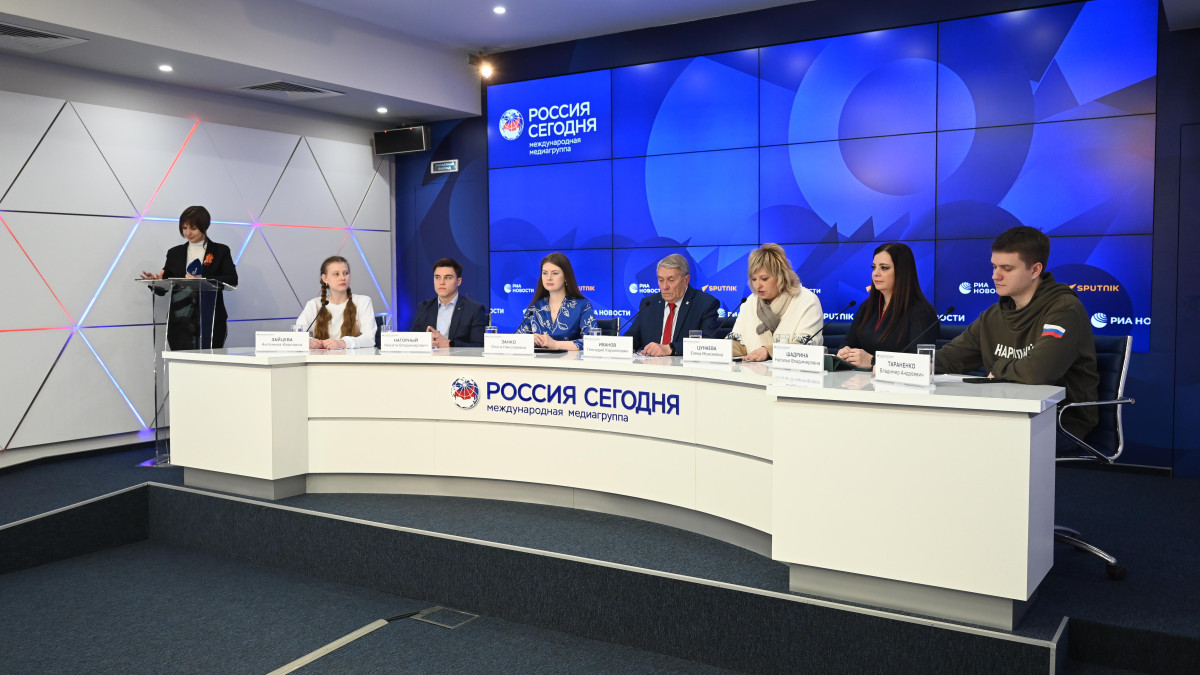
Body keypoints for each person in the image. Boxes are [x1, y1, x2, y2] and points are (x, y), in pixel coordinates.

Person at [936, 226, 1099, 439]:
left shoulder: (1064, 311)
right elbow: (951, 358)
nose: (995, 276)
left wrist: (997, 367)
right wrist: (904, 366)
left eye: (1007, 268)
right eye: (994, 266)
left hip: (1059, 422)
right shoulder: (993, 315)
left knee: (970, 441)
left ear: (1035, 270)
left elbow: (1038, 371)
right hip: (1005, 415)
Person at [140, 205, 237, 349]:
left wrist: (203, 279)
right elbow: (163, 288)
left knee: (210, 361)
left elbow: (232, 280)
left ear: (204, 226)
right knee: (181, 362)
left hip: (211, 320)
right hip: (180, 322)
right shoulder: (174, 253)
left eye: (193, 228)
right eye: (184, 228)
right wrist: (156, 281)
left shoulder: (220, 251)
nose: (188, 233)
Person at [837, 243, 939, 368]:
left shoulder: (921, 312)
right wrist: (845, 351)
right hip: (861, 379)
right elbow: (848, 342)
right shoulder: (867, 306)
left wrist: (873, 362)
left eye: (884, 268)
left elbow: (919, 365)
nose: (875, 273)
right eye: (874, 267)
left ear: (902, 272)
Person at [729, 243, 823, 362]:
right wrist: (718, 349)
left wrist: (769, 351)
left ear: (781, 276)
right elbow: (737, 341)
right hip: (751, 371)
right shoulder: (749, 302)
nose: (757, 285)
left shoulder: (807, 300)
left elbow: (807, 346)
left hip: (794, 372)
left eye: (764, 279)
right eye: (754, 279)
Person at [624, 254, 720, 357]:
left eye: (671, 280)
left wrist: (671, 349)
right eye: (661, 280)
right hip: (650, 365)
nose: (665, 286)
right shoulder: (649, 303)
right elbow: (631, 339)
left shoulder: (705, 304)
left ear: (686, 280)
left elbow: (709, 344)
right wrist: (618, 346)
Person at [514, 252, 598, 350]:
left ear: (566, 277)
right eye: (545, 273)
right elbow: (516, 340)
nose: (549, 278)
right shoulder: (535, 307)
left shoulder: (582, 306)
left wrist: (555, 344)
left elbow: (593, 342)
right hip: (538, 360)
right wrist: (529, 340)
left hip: (571, 359)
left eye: (555, 273)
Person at [296, 256, 377, 349]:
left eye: (346, 273)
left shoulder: (363, 301)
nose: (342, 278)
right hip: (320, 357)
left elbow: (369, 338)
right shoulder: (313, 305)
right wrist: (307, 342)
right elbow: (297, 335)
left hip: (352, 357)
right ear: (325, 278)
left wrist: (342, 343)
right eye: (336, 274)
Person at [410, 257, 489, 348]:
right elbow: (413, 342)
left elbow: (479, 346)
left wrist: (449, 344)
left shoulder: (474, 309)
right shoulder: (424, 308)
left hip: (459, 357)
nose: (441, 282)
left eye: (447, 277)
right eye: (437, 277)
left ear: (458, 281)